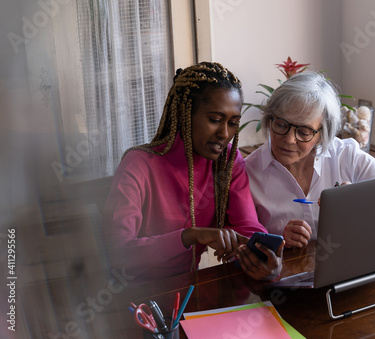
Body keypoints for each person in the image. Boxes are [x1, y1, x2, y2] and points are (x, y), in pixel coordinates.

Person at [102, 62, 283, 281]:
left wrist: (263, 251)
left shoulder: (226, 160)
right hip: (138, 295)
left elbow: (246, 223)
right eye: (215, 120)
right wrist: (190, 236)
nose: (225, 134)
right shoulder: (139, 165)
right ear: (182, 114)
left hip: (190, 289)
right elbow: (119, 254)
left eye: (233, 123)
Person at [245, 71, 375, 248]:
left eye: (304, 132)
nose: (289, 139)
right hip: (283, 272)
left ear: (322, 135)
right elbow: (242, 245)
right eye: (281, 125)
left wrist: (360, 199)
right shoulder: (248, 173)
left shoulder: (346, 155)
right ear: (269, 120)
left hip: (347, 266)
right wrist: (277, 241)